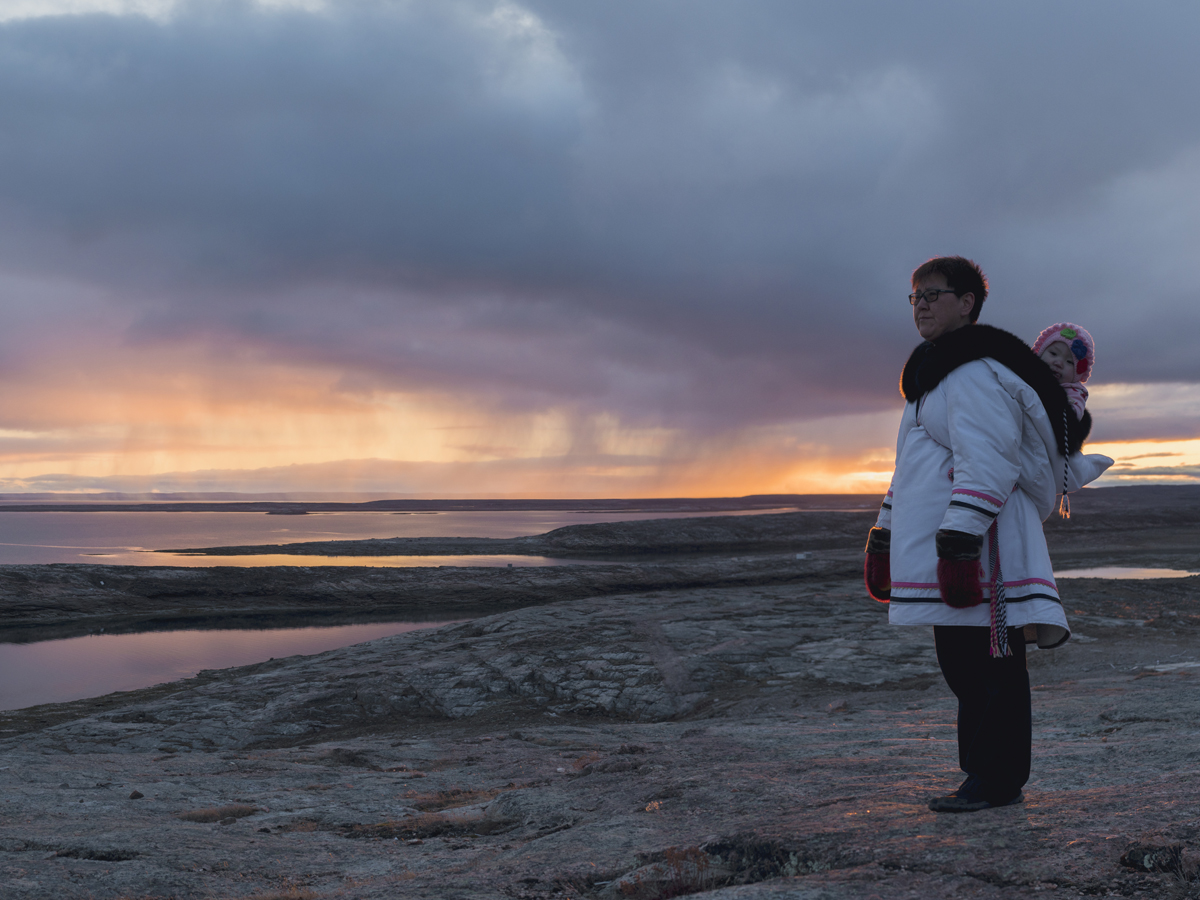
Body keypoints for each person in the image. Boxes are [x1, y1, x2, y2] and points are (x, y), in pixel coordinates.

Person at [862, 256, 1111, 813]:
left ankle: (998, 780)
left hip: (986, 551)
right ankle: (980, 773)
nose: (921, 304)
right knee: (962, 667)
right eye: (915, 296)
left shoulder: (974, 373)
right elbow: (909, 469)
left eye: (933, 294)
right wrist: (884, 531)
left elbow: (991, 463)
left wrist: (959, 542)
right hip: (959, 547)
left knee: (989, 667)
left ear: (967, 302)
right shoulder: (932, 379)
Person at [1033, 322, 1095, 420]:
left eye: (1069, 362)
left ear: (1077, 373)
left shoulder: (1074, 391)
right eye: (1053, 353)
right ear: (1041, 352)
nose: (1058, 363)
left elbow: (1072, 415)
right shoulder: (1027, 372)